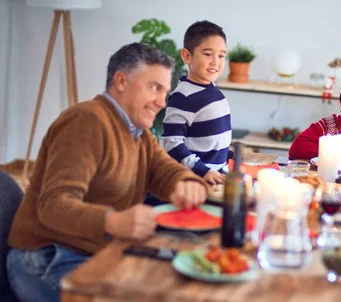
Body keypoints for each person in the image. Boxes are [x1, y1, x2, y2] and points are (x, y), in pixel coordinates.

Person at [6, 43, 207, 302]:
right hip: (44, 258)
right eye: (154, 88)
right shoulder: (87, 121)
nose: (162, 102)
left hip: (89, 251)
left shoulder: (139, 133)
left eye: (165, 92)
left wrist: (185, 182)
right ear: (121, 81)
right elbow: (52, 205)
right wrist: (112, 222)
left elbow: (164, 169)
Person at [161, 20, 231, 185]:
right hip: (195, 181)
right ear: (187, 56)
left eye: (221, 55)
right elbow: (171, 143)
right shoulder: (183, 97)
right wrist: (202, 170)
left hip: (217, 177)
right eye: (208, 54)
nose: (216, 61)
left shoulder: (212, 90)